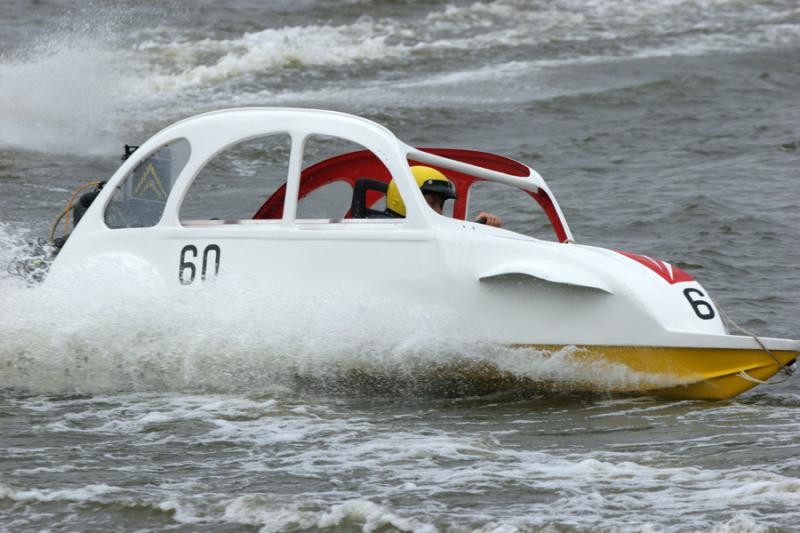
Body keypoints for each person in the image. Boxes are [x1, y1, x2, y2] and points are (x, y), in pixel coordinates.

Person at [384, 166, 502, 227]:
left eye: (440, 205)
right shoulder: (384, 234)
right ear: (404, 200)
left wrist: (479, 228)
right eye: (432, 203)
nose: (439, 211)